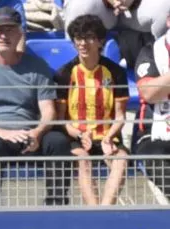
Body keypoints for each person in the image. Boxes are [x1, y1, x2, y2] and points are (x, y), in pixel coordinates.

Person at [0, 7, 71, 206]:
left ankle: (56, 205)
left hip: (29, 134)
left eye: (9, 30)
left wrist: (37, 133)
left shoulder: (38, 67)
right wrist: (1, 133)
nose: (3, 35)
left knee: (58, 141)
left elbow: (49, 111)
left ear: (20, 33)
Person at [54, 15, 130, 206]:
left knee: (121, 159)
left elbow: (120, 116)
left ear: (100, 41)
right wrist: (79, 134)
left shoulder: (115, 72)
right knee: (83, 160)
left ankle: (105, 210)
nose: (82, 43)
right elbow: (61, 119)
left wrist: (108, 137)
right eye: (78, 38)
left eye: (88, 38)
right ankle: (94, 212)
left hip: (107, 135)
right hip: (77, 136)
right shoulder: (64, 73)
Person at [133, 13, 170, 200]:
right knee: (155, 158)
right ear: (169, 21)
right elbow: (149, 93)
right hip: (156, 133)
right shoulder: (152, 50)